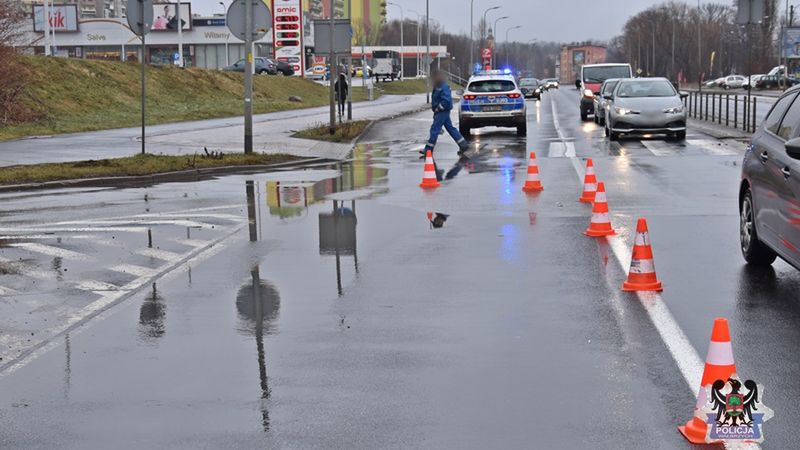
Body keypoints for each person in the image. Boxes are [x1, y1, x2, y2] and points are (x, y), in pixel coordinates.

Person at [425, 69, 469, 155]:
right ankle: (463, 144)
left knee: (435, 129)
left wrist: (439, 107)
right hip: (441, 111)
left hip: (442, 111)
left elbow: (446, 100)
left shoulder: (443, 86)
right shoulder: (438, 85)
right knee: (450, 128)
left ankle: (428, 149)